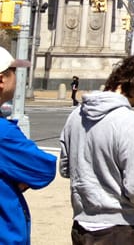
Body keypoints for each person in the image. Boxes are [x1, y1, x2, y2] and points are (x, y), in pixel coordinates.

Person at [59, 54, 134, 244]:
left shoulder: (75, 116)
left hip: (81, 224)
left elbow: (65, 169)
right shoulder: (128, 121)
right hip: (119, 226)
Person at [0, 47, 57, 245]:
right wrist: (20, 178)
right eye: (14, 72)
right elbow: (43, 170)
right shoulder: (3, 133)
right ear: (1, 80)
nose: (17, 78)